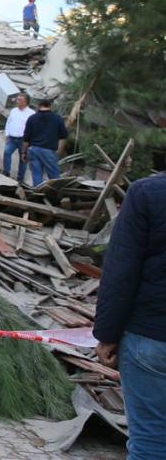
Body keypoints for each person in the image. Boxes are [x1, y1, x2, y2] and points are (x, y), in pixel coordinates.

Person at [93, 173, 166, 460]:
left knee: (150, 442)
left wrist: (107, 335)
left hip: (151, 338)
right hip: (151, 336)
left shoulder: (148, 193)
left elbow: (121, 271)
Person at [21, 99, 68, 186]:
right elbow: (63, 136)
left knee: (36, 174)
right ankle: (55, 192)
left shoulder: (32, 118)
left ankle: (38, 192)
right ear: (50, 106)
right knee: (54, 177)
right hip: (49, 151)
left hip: (33, 150)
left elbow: (26, 138)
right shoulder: (57, 118)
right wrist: (59, 152)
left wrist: (23, 152)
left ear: (39, 106)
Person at [1, 93, 34, 184]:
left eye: (19, 100)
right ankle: (6, 172)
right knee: (7, 152)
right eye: (17, 99)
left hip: (24, 140)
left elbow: (34, 128)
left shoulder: (31, 114)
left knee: (23, 159)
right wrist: (7, 134)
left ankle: (20, 179)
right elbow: (8, 122)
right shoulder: (14, 111)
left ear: (25, 102)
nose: (17, 101)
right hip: (11, 138)